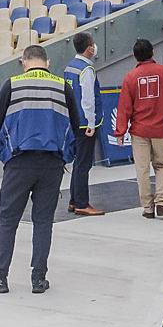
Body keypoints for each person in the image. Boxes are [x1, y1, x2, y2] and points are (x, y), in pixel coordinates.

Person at [0, 44, 82, 296]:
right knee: (43, 222)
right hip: (52, 163)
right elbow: (76, 124)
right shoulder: (63, 87)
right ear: (47, 63)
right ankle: (38, 279)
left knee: (7, 220)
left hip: (18, 162)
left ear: (24, 61)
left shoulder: (12, 84)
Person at [112, 38, 163, 219]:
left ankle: (147, 208)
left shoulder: (130, 77)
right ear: (153, 52)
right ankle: (161, 202)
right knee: (161, 165)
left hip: (139, 131)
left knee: (142, 169)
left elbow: (124, 107)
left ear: (134, 56)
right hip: (162, 129)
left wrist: (120, 131)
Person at [62, 32, 103, 217]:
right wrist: (92, 123)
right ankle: (82, 203)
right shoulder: (86, 70)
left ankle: (73, 200)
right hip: (85, 122)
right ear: (89, 48)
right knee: (83, 164)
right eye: (94, 44)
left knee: (78, 163)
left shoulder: (70, 67)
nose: (95, 47)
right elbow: (88, 100)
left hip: (73, 119)